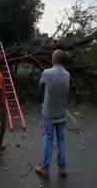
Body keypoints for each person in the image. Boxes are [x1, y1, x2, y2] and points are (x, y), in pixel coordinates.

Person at [35, 49, 70, 178]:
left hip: (49, 113)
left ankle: (45, 167)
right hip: (62, 113)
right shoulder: (67, 74)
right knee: (61, 140)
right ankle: (63, 168)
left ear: (53, 59)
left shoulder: (47, 73)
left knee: (49, 140)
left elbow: (40, 86)